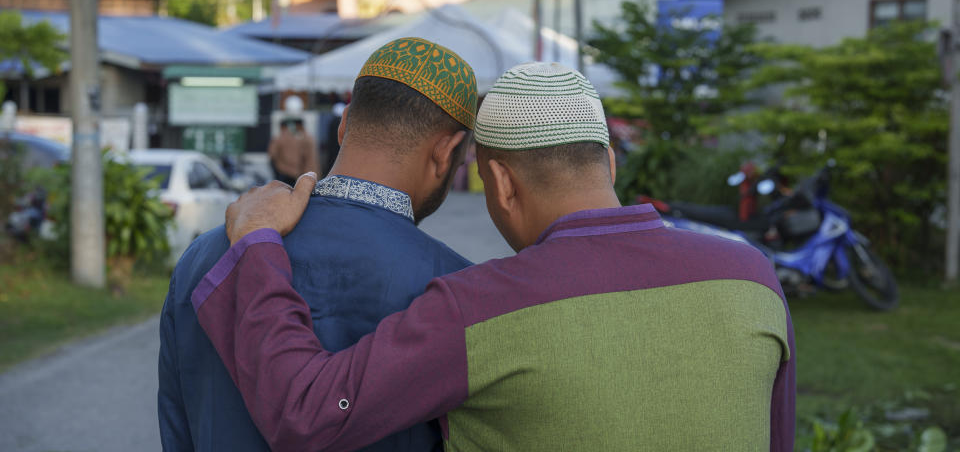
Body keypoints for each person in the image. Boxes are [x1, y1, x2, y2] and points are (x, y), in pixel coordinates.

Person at [193, 62, 797, 451]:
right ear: (609, 163)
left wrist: (259, 246)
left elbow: (307, 411)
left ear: (501, 184)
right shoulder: (754, 280)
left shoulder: (479, 306)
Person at [158, 37, 479, 451]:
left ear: (345, 125)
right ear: (447, 152)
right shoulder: (459, 291)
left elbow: (178, 427)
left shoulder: (208, 254)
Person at [268, 108, 319, 187]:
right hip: (300, 172)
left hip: (284, 171)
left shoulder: (279, 138)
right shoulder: (300, 138)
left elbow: (272, 154)